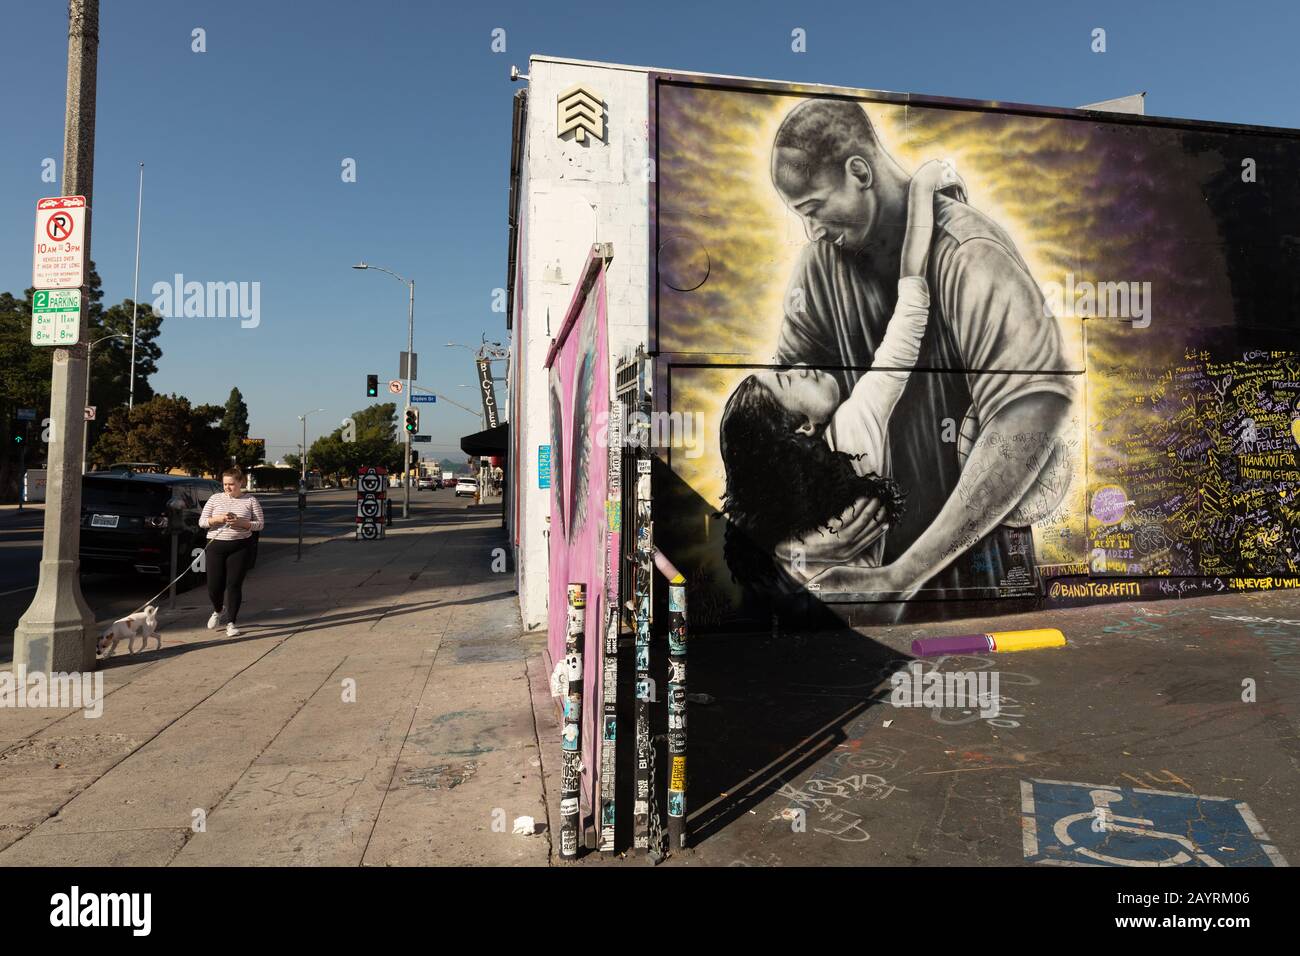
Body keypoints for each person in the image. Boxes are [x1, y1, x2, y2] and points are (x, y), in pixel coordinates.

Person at [765, 98, 1075, 601]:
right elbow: (778, 427)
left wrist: (900, 578)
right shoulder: (818, 269)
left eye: (815, 208)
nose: (813, 229)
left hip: (980, 590)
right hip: (857, 592)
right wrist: (792, 542)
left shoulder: (969, 252)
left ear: (859, 172)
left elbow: (1030, 410)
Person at [719, 159, 959, 587]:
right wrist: (923, 187)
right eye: (790, 380)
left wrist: (789, 550)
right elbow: (907, 320)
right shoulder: (851, 434)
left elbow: (744, 540)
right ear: (804, 428)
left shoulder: (788, 509)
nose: (801, 368)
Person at [199, 466, 265, 637]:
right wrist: (218, 519)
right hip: (216, 546)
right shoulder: (214, 499)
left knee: (234, 585)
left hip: (240, 546)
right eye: (225, 484)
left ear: (240, 482)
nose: (227, 487)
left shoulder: (251, 500)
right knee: (214, 586)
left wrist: (242, 523)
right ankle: (218, 610)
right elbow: (202, 522)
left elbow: (260, 524)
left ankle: (231, 622)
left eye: (231, 484)